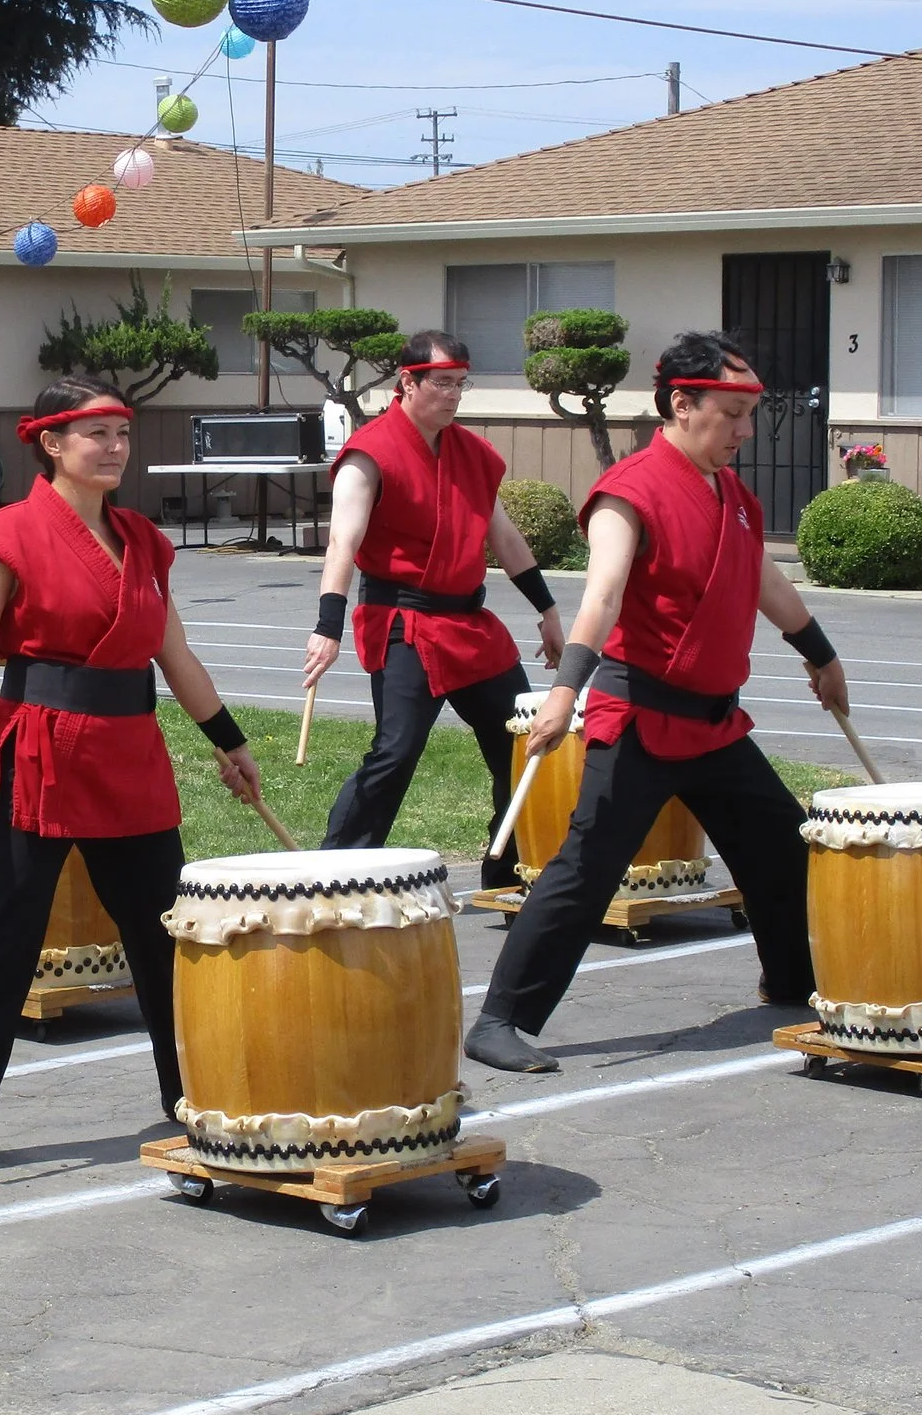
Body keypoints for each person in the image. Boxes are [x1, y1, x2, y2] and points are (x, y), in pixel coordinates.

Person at [0, 376, 263, 1185]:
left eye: (123, 434)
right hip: (37, 754)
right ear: (51, 444)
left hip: (130, 754)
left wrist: (228, 742)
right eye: (95, 434)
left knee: (169, 942)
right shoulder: (2, 536)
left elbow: (176, 654)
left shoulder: (143, 539)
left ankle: (199, 1101)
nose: (114, 448)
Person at [465, 332, 851, 1074]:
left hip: (714, 721)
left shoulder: (734, 496)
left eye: (749, 415)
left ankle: (791, 980)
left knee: (781, 844)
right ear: (682, 402)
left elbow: (767, 587)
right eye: (732, 415)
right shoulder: (629, 490)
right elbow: (601, 597)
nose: (744, 432)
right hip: (640, 714)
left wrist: (822, 655)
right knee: (586, 867)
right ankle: (499, 1018)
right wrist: (563, 690)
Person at [305, 331, 563, 888]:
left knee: (523, 741)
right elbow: (342, 543)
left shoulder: (472, 454)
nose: (452, 395)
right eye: (441, 383)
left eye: (459, 384)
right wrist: (328, 628)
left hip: (471, 625)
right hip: (405, 624)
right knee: (396, 751)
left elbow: (505, 537)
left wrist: (547, 610)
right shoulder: (369, 453)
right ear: (408, 382)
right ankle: (335, 873)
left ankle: (508, 864)